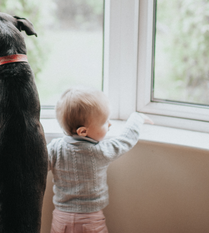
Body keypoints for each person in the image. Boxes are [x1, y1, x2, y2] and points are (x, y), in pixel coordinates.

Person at [47, 88, 154, 233]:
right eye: (104, 122)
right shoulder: (101, 151)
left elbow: (35, 166)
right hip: (90, 221)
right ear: (83, 132)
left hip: (61, 220)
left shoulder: (55, 148)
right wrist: (136, 118)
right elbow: (125, 140)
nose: (109, 124)